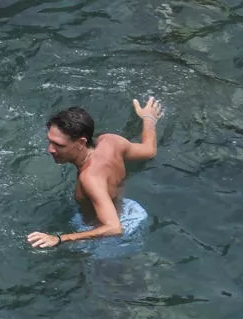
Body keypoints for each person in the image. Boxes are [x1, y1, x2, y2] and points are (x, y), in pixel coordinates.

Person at [27, 99, 162, 250]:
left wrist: (59, 238)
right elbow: (150, 150)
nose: (50, 149)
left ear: (81, 143)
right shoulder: (111, 141)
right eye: (50, 141)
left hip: (108, 240)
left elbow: (114, 228)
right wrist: (149, 118)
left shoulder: (90, 178)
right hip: (130, 212)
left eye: (59, 145)